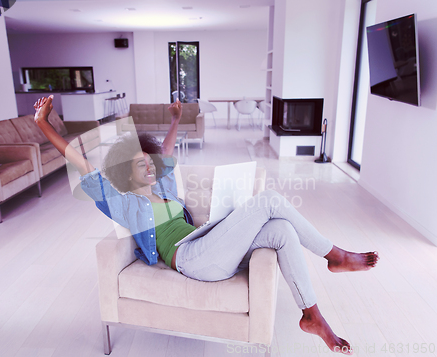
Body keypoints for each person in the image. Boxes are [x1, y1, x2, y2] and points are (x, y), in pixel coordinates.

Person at [34, 95, 379, 355]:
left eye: (151, 163)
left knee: (282, 231)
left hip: (209, 244)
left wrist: (176, 118)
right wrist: (43, 124)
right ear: (126, 174)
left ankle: (311, 314)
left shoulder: (165, 187)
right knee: (271, 199)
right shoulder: (125, 204)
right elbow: (81, 163)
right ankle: (336, 255)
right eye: (142, 166)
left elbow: (167, 148)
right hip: (190, 259)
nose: (151, 168)